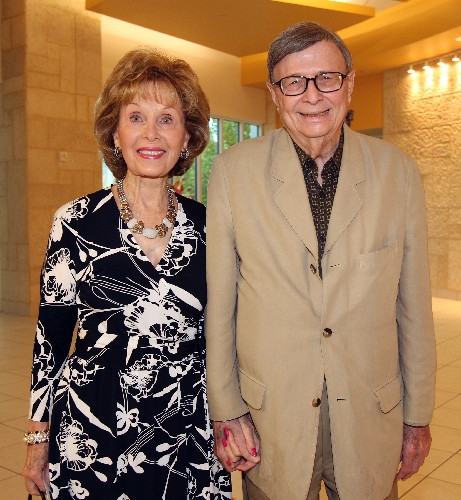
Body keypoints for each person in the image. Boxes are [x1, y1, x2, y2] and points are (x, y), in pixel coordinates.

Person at [205, 22, 436, 500]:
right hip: (271, 419)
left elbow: (413, 308)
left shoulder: (398, 173)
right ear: (275, 93)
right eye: (294, 82)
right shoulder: (233, 172)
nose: (312, 95)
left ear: (349, 84)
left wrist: (418, 417)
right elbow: (221, 306)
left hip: (370, 415)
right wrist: (226, 408)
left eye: (327, 78)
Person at [23, 47, 231, 499]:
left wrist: (232, 419)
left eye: (167, 119)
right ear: (115, 133)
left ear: (187, 137)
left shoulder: (212, 226)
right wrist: (37, 440)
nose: (151, 133)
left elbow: (226, 336)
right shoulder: (75, 222)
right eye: (136, 117)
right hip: (93, 433)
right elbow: (50, 341)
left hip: (185, 436)